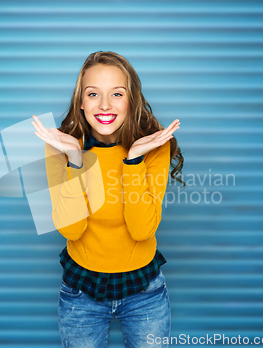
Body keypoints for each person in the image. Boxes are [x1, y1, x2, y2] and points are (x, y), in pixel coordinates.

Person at [31, 51, 185, 348]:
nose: (104, 105)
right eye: (93, 94)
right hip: (81, 291)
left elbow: (141, 231)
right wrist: (76, 160)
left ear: (132, 100)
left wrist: (133, 161)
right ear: (81, 103)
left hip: (145, 291)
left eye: (117, 93)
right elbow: (72, 230)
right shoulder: (61, 148)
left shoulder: (152, 147)